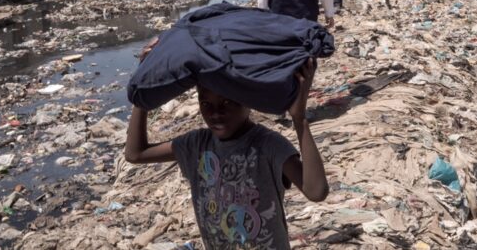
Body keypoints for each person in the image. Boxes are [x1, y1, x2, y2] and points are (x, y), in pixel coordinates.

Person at [125, 38, 329, 250]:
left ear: (248, 101)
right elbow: (135, 154)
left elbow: (316, 192)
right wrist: (143, 81)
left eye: (227, 102)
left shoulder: (267, 145)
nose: (216, 114)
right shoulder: (196, 145)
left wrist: (299, 119)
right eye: (206, 104)